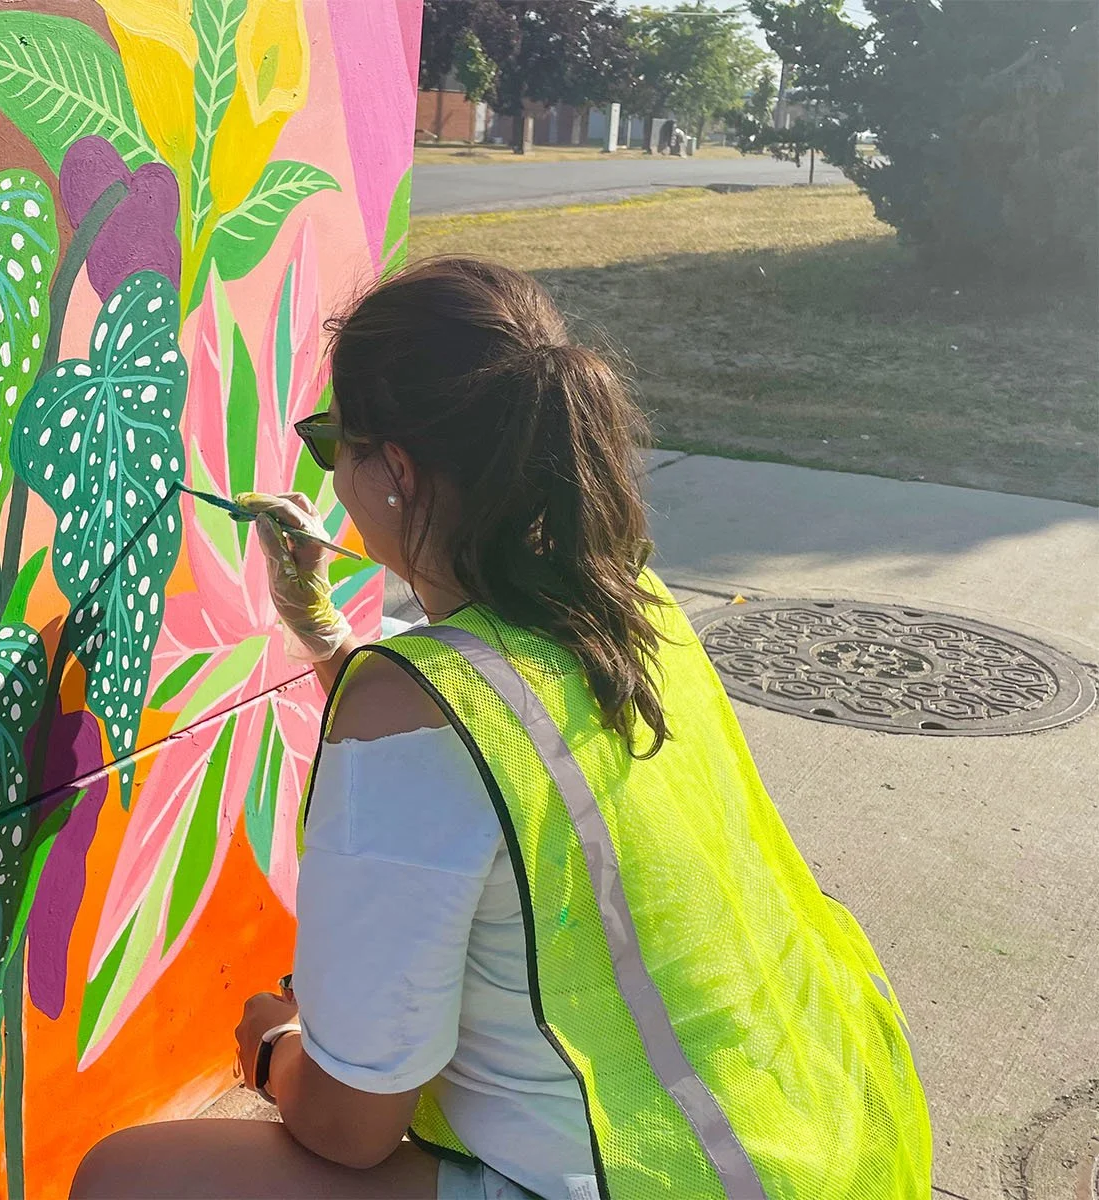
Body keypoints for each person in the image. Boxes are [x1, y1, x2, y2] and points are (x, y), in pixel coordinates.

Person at [71, 258, 932, 1199]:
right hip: (823, 1141)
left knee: (127, 1178)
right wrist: (329, 634)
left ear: (394, 467)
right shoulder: (629, 603)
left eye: (329, 445)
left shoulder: (410, 709)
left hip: (658, 1183)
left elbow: (350, 1126)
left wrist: (276, 1045)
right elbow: (499, 740)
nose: (328, 473)